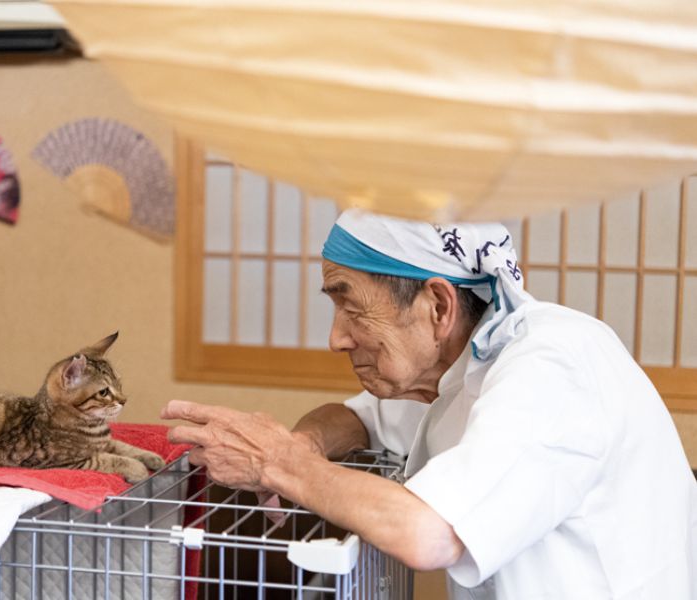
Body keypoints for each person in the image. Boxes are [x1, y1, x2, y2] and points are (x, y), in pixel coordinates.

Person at [161, 209, 697, 599]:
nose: (337, 339)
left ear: (437, 305)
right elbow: (353, 419)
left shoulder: (551, 366)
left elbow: (429, 534)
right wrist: (300, 446)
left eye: (351, 305)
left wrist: (279, 461)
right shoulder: (457, 363)